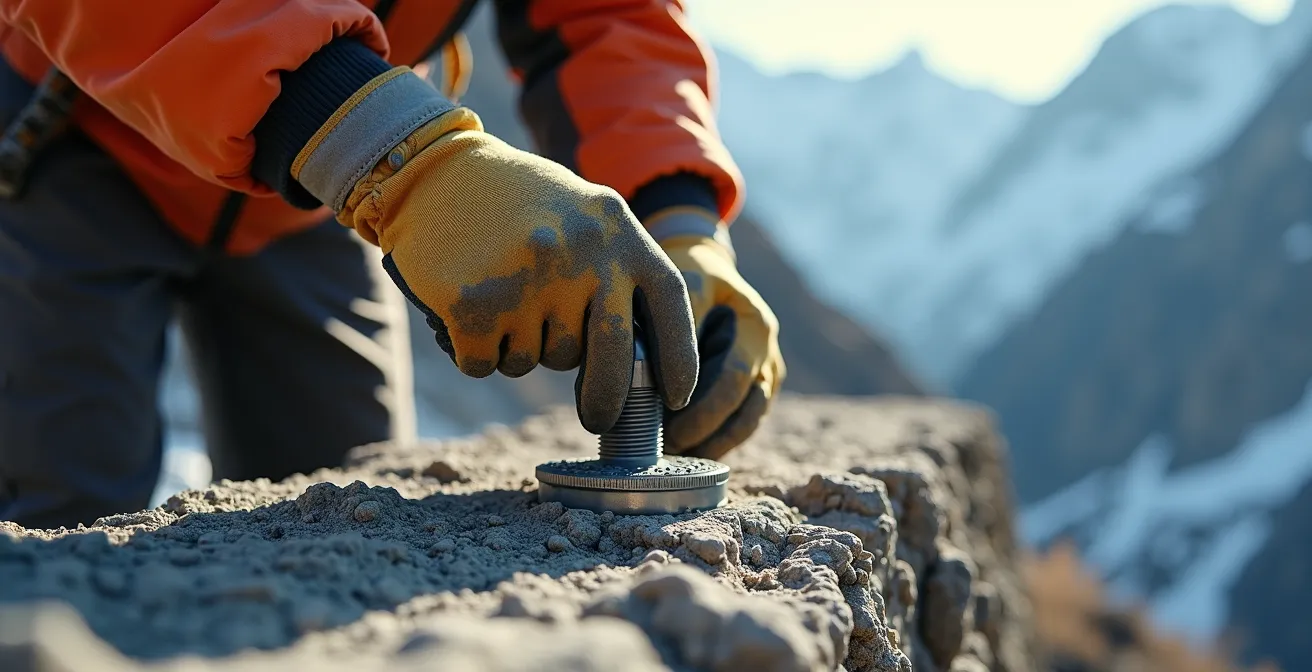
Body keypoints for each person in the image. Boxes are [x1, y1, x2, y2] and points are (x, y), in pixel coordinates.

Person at [0, 0, 785, 530]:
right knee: (57, 519)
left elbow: (604, 16)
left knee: (346, 509)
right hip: (77, 149)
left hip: (310, 190)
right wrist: (390, 156)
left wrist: (675, 219)